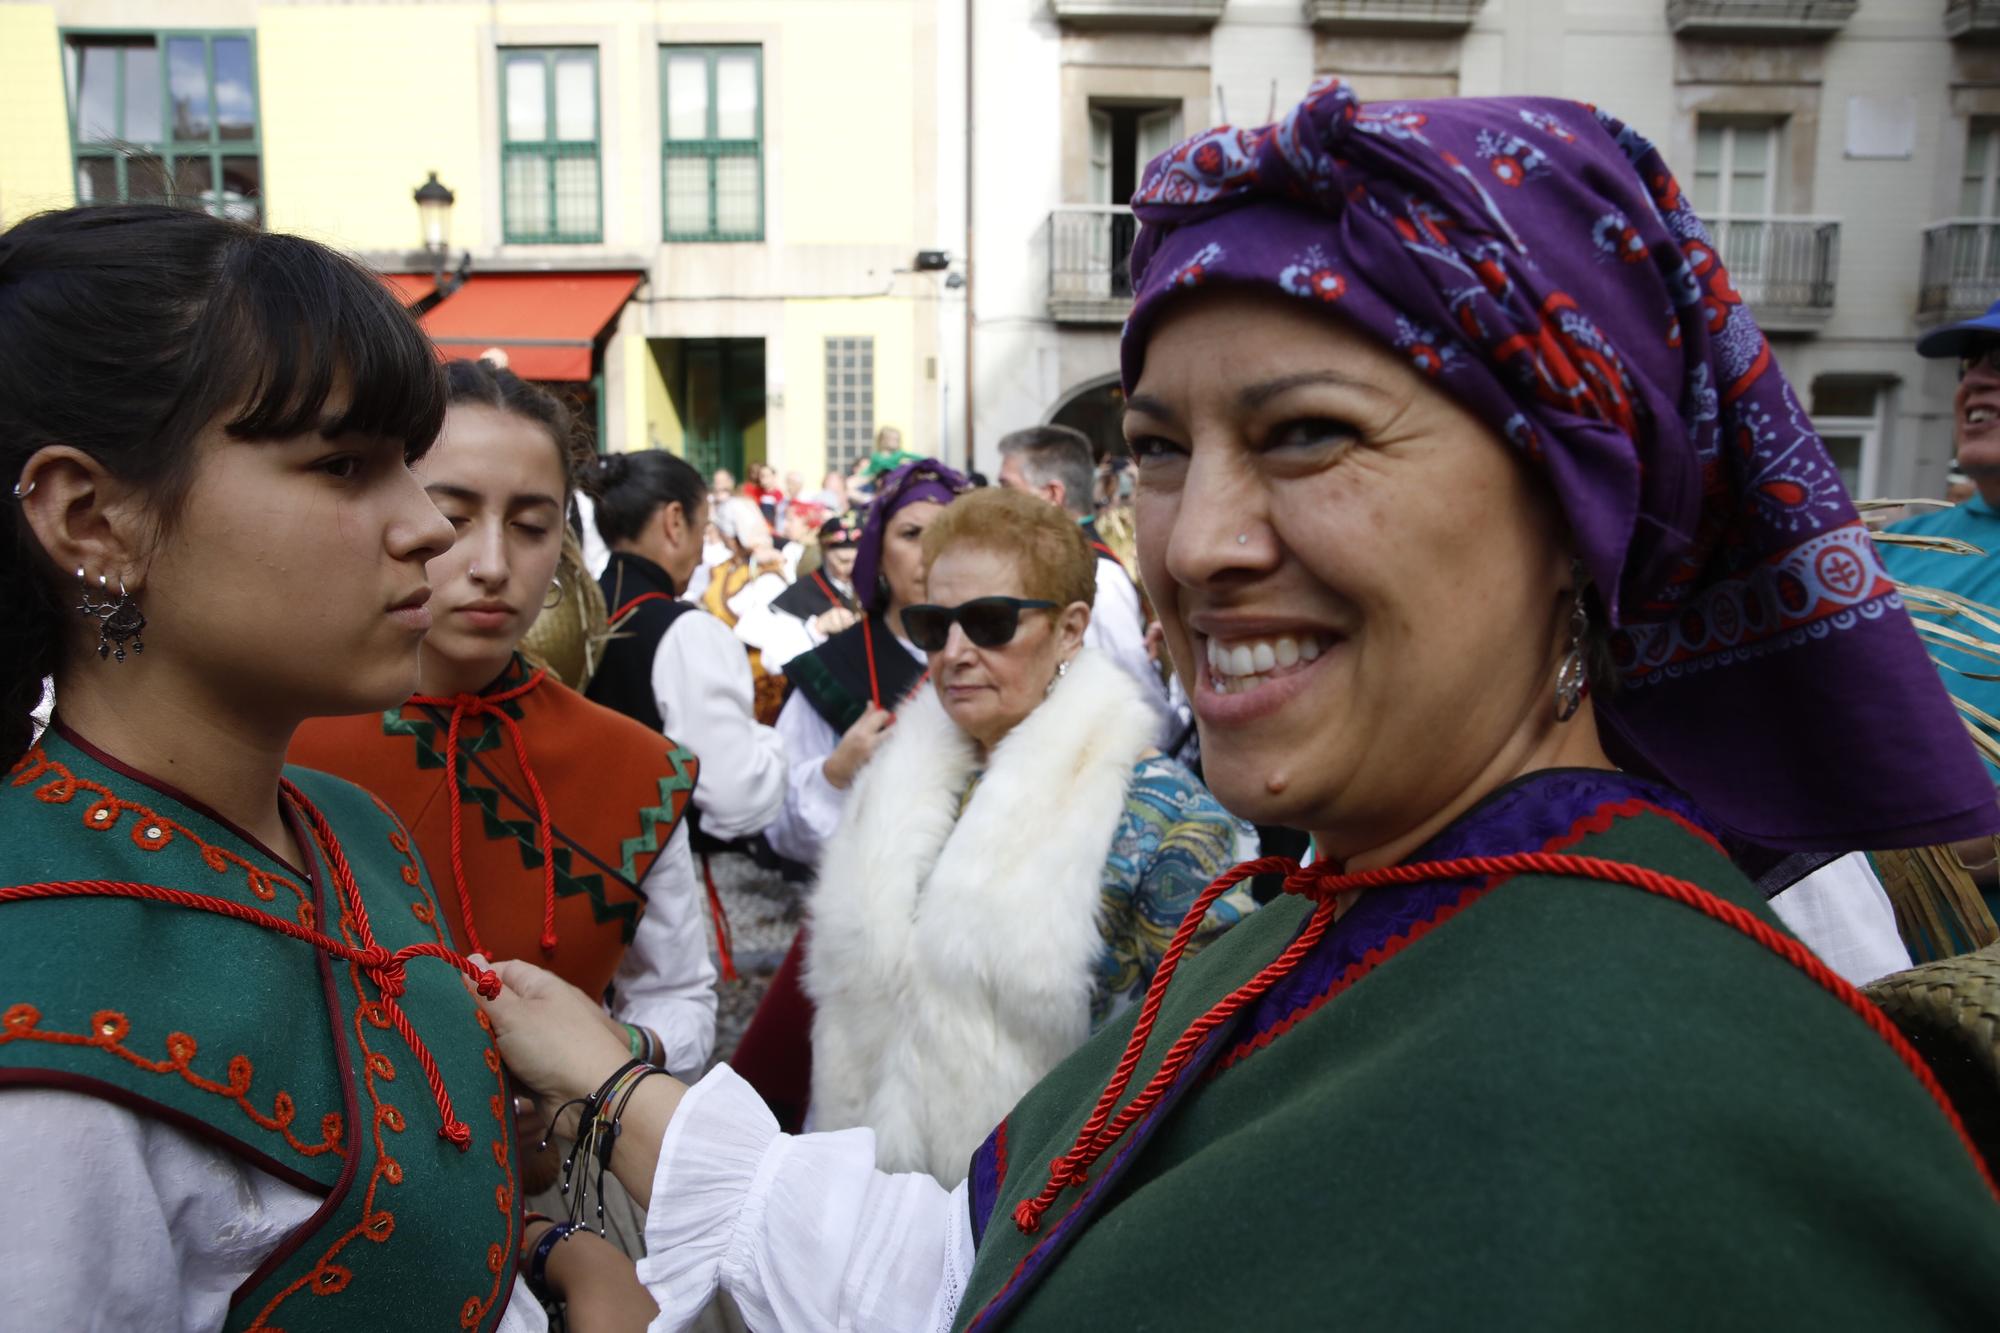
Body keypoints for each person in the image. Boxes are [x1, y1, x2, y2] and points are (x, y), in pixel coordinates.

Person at [473, 86, 2000, 1330]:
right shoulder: (1331, 915)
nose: (1195, 543)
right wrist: (622, 1087)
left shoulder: (1639, 1075)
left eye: (1312, 435)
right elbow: (963, 1269)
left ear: (1574, 514)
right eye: (1158, 448)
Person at [0, 206, 650, 1328]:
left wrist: (551, 1261)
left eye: (404, 463)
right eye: (343, 465)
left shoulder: (346, 827)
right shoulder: (38, 1028)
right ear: (93, 516)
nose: (426, 529)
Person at [804, 487, 1257, 1184]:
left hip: (1038, 1237)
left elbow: (1209, 1089)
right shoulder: (892, 780)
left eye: (988, 622)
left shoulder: (1164, 819)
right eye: (933, 623)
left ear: (1072, 628)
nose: (953, 652)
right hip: (856, 1213)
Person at [289, 360, 717, 1083]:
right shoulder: (275, 736)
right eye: (451, 517)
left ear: (563, 549)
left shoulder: (636, 767)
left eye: (529, 526)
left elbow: (680, 994)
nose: (491, 563)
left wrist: (599, 1059)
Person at [763, 460, 971, 869]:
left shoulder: (1000, 651)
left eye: (948, 534)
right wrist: (834, 775)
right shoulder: (831, 670)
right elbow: (781, 831)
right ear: (877, 555)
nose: (930, 553)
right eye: (911, 534)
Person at [586, 453, 787, 848]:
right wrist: (770, 746)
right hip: (660, 877)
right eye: (703, 527)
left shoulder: (583, 606)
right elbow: (739, 797)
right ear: (675, 521)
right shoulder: (685, 632)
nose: (700, 552)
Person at [997, 424, 1175, 741]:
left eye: (1008, 490)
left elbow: (1143, 702)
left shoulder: (1101, 581)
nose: (998, 506)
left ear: (1052, 495)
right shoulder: (1047, 566)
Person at [734, 509, 861, 674]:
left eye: (858, 561)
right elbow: (776, 660)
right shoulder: (802, 593)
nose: (851, 568)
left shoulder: (869, 585)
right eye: (843, 561)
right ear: (824, 552)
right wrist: (817, 629)